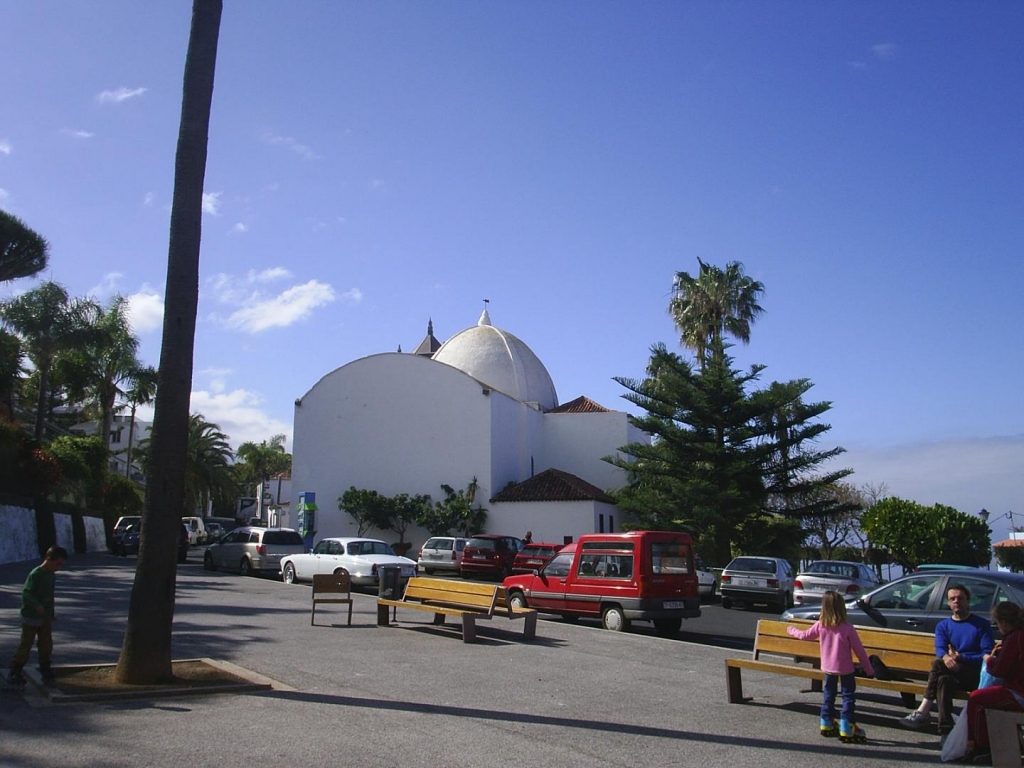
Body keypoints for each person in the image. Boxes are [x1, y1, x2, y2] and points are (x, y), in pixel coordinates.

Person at [901, 584, 995, 734]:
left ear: (968, 601)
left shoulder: (981, 625)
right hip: (950, 671)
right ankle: (945, 731)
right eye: (952, 599)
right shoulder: (943, 626)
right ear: (949, 603)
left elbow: (987, 655)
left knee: (938, 664)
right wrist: (946, 657)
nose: (956, 601)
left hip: (974, 674)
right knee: (943, 680)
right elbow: (940, 649)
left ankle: (923, 710)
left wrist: (961, 658)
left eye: (960, 598)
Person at [787, 590, 875, 742]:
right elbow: (860, 651)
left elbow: (804, 635)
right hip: (846, 669)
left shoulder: (821, 625)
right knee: (848, 697)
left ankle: (826, 721)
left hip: (828, 668)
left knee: (829, 695)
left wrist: (791, 629)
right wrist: (869, 669)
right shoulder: (848, 628)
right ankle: (847, 725)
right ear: (842, 608)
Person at [960, 602, 1024, 763]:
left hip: (1019, 692)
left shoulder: (1014, 637)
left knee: (976, 699)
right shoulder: (1018, 636)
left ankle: (981, 746)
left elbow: (999, 670)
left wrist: (989, 660)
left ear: (1002, 622)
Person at [4, 546, 68, 688]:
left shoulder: (51, 575)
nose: (58, 567)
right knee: (26, 644)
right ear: (48, 560)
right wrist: (36, 605)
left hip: (44, 617)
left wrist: (51, 613)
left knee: (46, 644)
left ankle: (45, 668)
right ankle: (15, 670)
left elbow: (50, 596)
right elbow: (26, 593)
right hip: (31, 616)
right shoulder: (36, 574)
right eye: (57, 564)